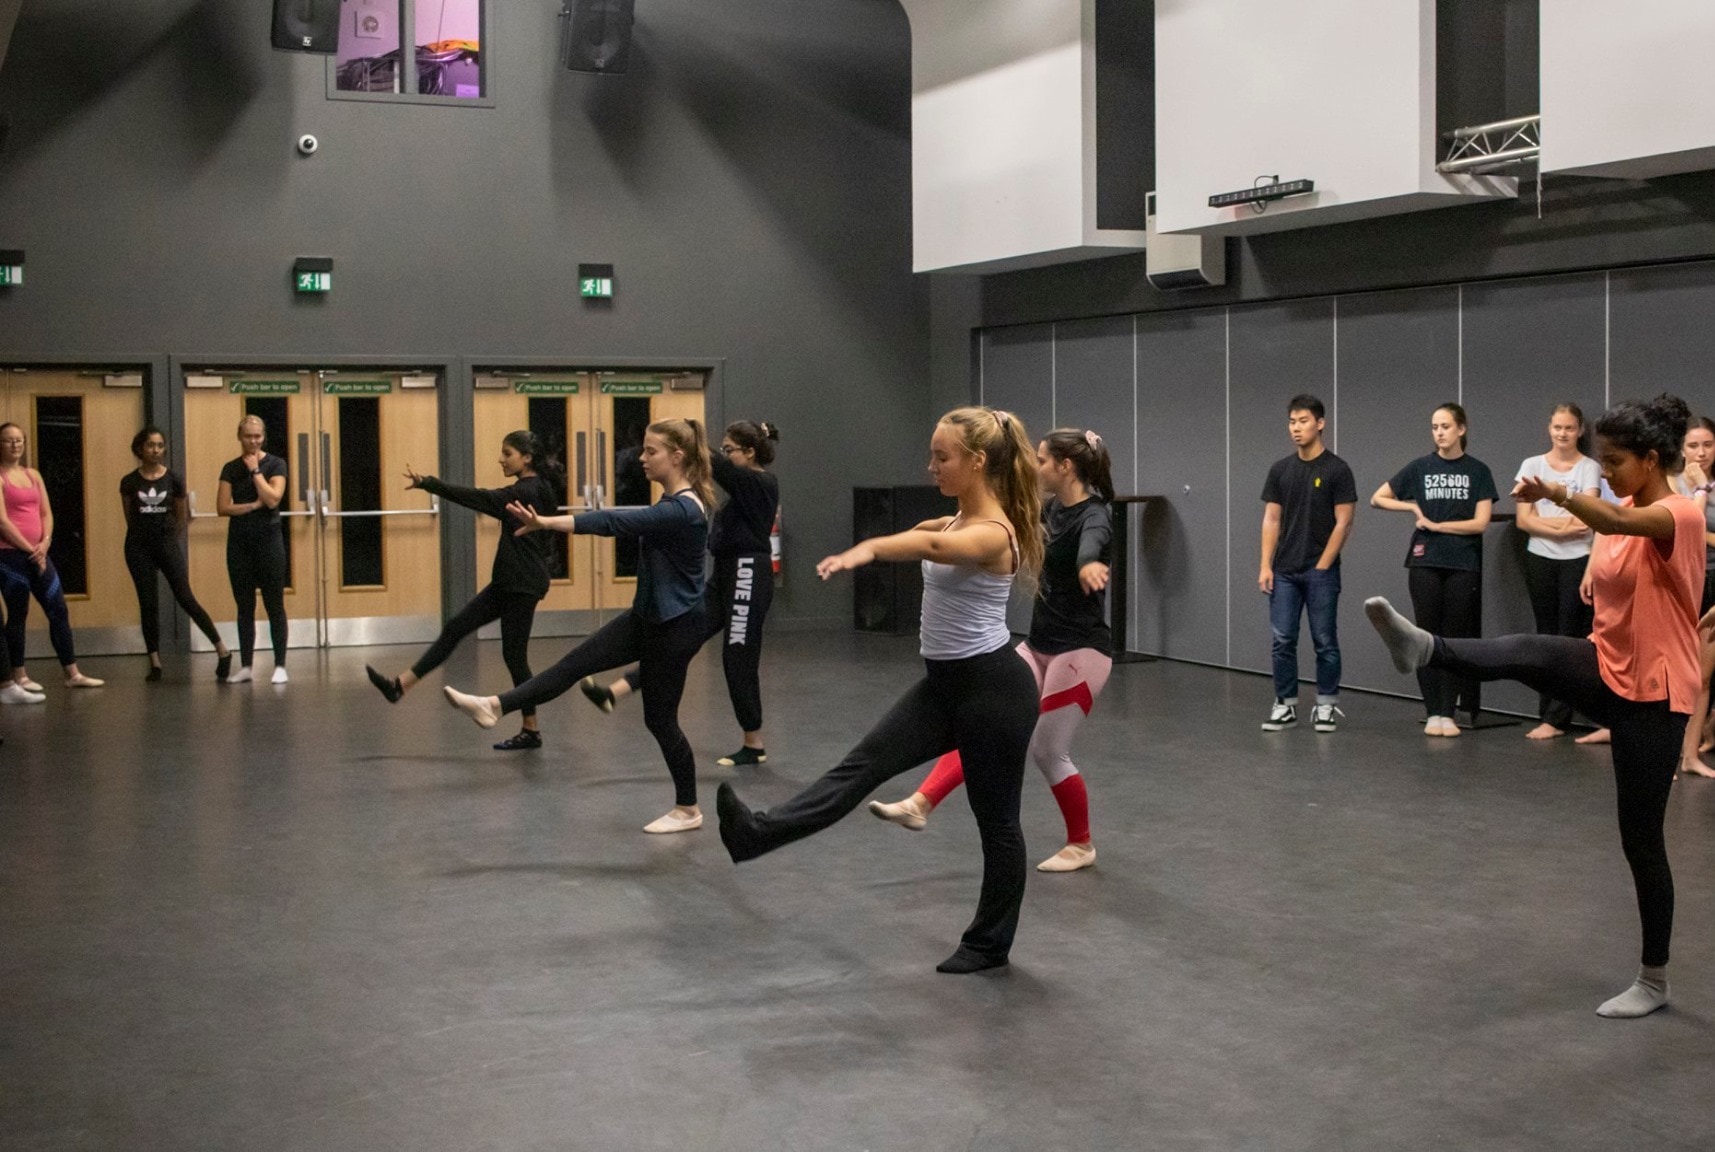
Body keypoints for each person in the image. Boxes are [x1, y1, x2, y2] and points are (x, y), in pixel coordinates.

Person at [1365, 394, 1702, 1019]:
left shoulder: (1677, 512)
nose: (1608, 473)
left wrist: (1556, 491)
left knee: (1641, 840)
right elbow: (1614, 539)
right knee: (1532, 649)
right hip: (1609, 665)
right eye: (1603, 462)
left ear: (1653, 460)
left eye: (1616, 462)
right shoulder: (1629, 508)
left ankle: (1654, 980)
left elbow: (1615, 523)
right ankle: (1426, 648)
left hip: (1656, 695)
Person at [715, 407, 1043, 974]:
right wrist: (875, 545)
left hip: (994, 692)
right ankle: (755, 835)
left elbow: (930, 550)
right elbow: (922, 537)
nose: (931, 466)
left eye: (941, 457)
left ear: (977, 461)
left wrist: (867, 550)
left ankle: (989, 945)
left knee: (997, 822)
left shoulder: (994, 533)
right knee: (861, 766)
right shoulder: (950, 522)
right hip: (944, 686)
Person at [442, 419, 714, 834]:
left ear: (677, 457)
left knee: (660, 721)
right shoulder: (671, 503)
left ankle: (688, 810)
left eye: (651, 451)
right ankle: (493, 706)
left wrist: (548, 523)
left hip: (675, 628)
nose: (641, 458)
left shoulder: (684, 510)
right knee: (572, 665)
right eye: (643, 449)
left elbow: (615, 522)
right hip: (646, 618)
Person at [869, 426, 1115, 874]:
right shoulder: (1051, 510)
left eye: (1043, 460)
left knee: (1048, 750)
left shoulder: (1094, 515)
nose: (1037, 466)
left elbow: (1092, 545)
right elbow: (1008, 519)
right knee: (986, 723)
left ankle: (1081, 844)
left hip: (1082, 651)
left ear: (1065, 467)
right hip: (1039, 644)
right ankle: (920, 803)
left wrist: (1088, 565)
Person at [583, 420, 781, 767]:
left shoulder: (760, 483)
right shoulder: (745, 488)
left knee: (738, 657)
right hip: (727, 574)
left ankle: (754, 743)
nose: (724, 455)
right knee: (681, 638)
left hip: (748, 574)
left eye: (730, 449)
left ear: (750, 453)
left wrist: (687, 436)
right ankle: (615, 692)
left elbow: (717, 466)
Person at [365, 431, 558, 750]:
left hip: (521, 585)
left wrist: (429, 483)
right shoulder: (539, 488)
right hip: (510, 582)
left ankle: (531, 730)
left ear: (527, 458)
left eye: (507, 453)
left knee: (514, 656)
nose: (501, 459)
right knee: (458, 628)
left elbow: (476, 497)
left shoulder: (525, 491)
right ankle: (400, 686)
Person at [1369, 403, 1496, 737]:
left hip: (1462, 562)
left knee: (1452, 638)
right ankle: (1433, 712)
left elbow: (1480, 523)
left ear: (1461, 429)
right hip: (1425, 561)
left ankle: (1449, 712)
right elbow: (1377, 498)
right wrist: (1412, 507)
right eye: (1435, 427)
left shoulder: (1478, 471)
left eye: (1445, 426)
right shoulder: (1421, 467)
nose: (1439, 432)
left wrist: (1440, 526)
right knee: (1423, 635)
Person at [1259, 395, 1357, 732]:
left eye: (1303, 421)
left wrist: (1323, 566)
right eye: (1292, 422)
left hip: (1321, 571)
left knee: (1324, 640)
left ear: (1320, 423)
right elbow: (1271, 519)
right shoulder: (1280, 470)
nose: (1296, 428)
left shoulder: (1337, 470)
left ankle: (1326, 704)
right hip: (1284, 571)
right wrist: (1265, 565)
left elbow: (1344, 522)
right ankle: (1285, 704)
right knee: (1282, 639)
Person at [1514, 404, 1602, 740]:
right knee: (1544, 634)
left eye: (1569, 428)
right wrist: (1562, 527)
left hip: (1578, 559)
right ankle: (1547, 714)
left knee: (1569, 636)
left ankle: (1558, 717)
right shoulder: (1531, 465)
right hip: (1540, 558)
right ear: (1549, 428)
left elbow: (1586, 520)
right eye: (1557, 427)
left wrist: (1546, 523)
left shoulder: (1589, 467)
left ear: (1580, 431)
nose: (1562, 433)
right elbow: (1524, 520)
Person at [121, 427, 232, 682]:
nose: (155, 450)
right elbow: (129, 517)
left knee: (185, 597)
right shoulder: (129, 482)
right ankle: (155, 662)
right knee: (148, 603)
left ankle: (222, 649)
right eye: (150, 445)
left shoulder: (174, 479)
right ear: (140, 449)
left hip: (166, 544)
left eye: (160, 445)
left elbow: (181, 517)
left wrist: (169, 538)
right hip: (139, 547)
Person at [0, 422, 104, 692]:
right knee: (18, 612)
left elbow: (46, 513)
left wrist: (44, 544)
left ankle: (72, 673)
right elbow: (2, 522)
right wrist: (29, 548)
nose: (15, 445)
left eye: (19, 440)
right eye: (8, 440)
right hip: (10, 556)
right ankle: (19, 674)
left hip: (39, 554)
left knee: (58, 608)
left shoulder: (33, 475)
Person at [217, 415, 289, 684]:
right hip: (239, 543)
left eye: (258, 436)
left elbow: (273, 499)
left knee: (274, 604)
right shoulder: (230, 468)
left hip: (269, 542)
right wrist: (252, 506)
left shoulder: (276, 464)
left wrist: (256, 472)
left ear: (264, 437)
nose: (253, 441)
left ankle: (280, 665)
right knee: (244, 606)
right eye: (248, 436)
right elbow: (223, 507)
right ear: (240, 437)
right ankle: (246, 665)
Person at [1674, 417, 1715, 777]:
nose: (1701, 452)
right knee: (1673, 673)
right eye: (1693, 446)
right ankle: (1666, 755)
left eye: (1708, 445)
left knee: (1702, 675)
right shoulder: (1672, 484)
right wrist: (1700, 488)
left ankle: (1689, 755)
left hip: (1712, 580)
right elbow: (1686, 530)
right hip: (1680, 581)